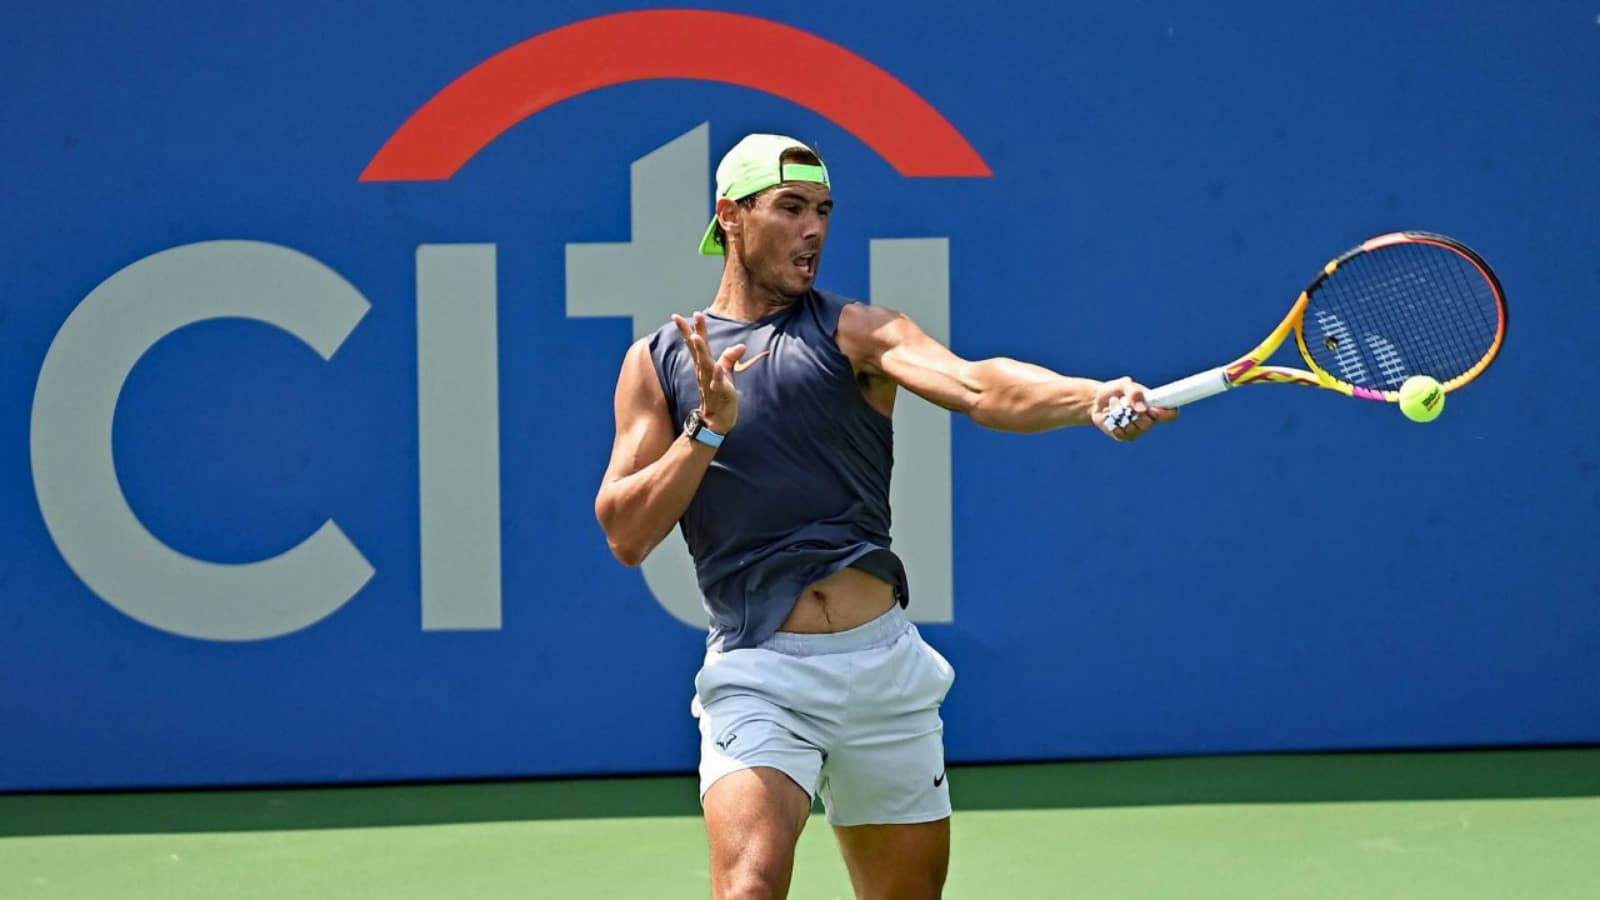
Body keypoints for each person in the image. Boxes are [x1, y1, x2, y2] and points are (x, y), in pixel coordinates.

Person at [595, 134, 1173, 900]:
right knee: (748, 889)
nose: (814, 230)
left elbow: (975, 387)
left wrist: (1087, 397)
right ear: (730, 217)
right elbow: (625, 532)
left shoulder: (857, 332)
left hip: (883, 675)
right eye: (791, 207)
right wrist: (705, 429)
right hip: (759, 672)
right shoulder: (661, 361)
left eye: (825, 211)